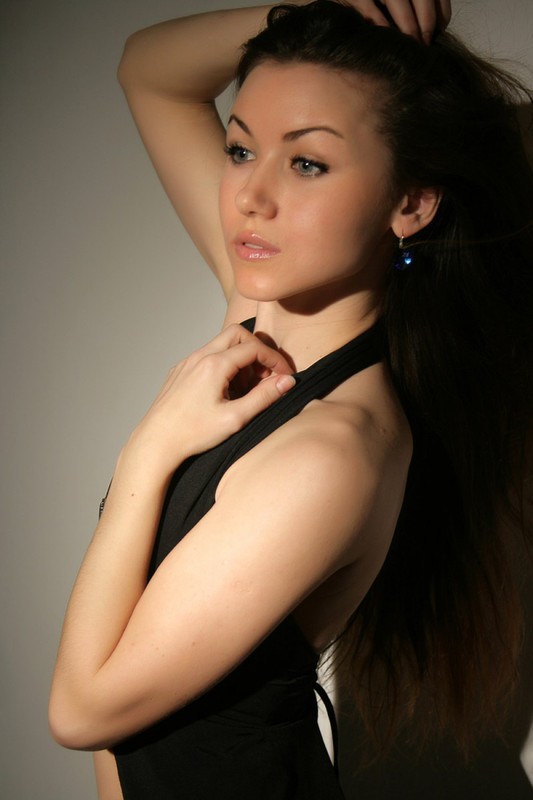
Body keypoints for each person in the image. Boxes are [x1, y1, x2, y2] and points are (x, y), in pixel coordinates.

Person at [49, 1, 533, 797]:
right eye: (241, 149)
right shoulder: (258, 316)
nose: (250, 196)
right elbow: (150, 71)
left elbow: (81, 711)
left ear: (410, 204)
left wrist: (150, 448)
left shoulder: (334, 451)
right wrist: (318, 4)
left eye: (307, 163)